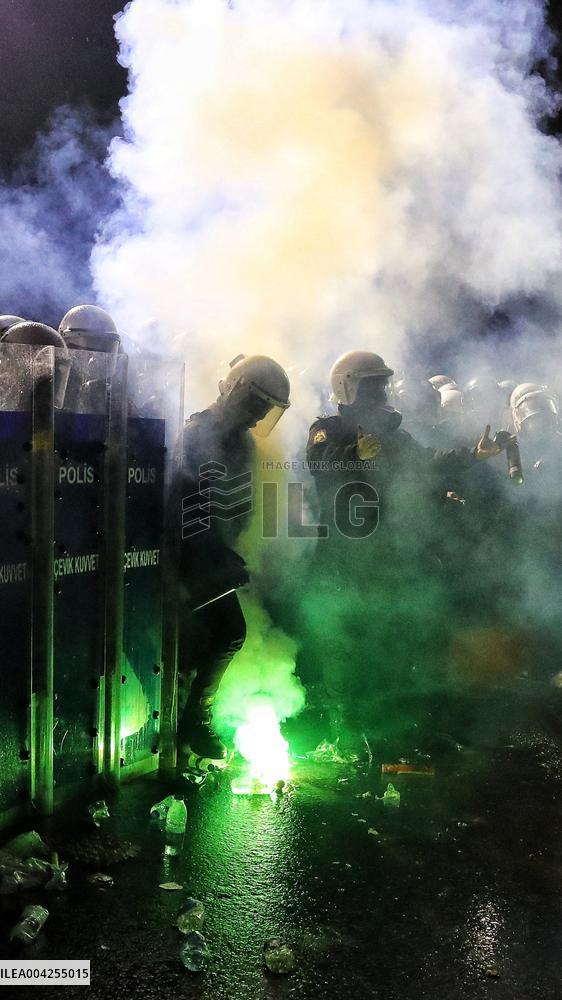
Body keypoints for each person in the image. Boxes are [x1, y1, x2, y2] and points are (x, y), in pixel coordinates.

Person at [303, 350, 513, 752]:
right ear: (348, 386)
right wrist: (354, 455)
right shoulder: (326, 429)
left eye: (383, 383)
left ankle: (385, 731)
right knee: (343, 646)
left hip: (387, 558)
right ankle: (344, 734)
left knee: (388, 641)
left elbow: (427, 462)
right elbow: (320, 467)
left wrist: (474, 454)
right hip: (342, 561)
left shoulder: (391, 434)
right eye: (372, 384)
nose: (381, 391)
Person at [173, 353, 291, 768]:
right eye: (255, 402)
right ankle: (193, 723)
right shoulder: (196, 432)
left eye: (265, 408)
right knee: (228, 633)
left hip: (214, 554)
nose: (259, 414)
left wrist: (235, 550)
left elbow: (235, 504)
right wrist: (214, 553)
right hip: (187, 556)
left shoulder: (240, 441)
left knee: (216, 637)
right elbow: (185, 502)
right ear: (234, 388)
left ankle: (188, 725)